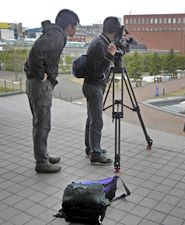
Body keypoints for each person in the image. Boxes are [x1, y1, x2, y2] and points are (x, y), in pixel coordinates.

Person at [25, 9, 80, 173]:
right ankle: (41, 162)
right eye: (76, 26)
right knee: (42, 124)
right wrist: (40, 74)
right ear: (69, 26)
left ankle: (44, 155)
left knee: (40, 122)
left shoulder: (53, 33)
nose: (76, 30)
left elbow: (38, 52)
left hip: (36, 84)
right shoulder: (57, 35)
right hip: (40, 85)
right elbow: (36, 52)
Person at [83, 17, 120, 164]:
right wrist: (110, 54)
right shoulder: (100, 44)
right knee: (96, 121)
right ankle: (96, 154)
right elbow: (99, 70)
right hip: (94, 86)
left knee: (91, 119)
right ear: (115, 31)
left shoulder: (101, 41)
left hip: (92, 85)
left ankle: (91, 148)